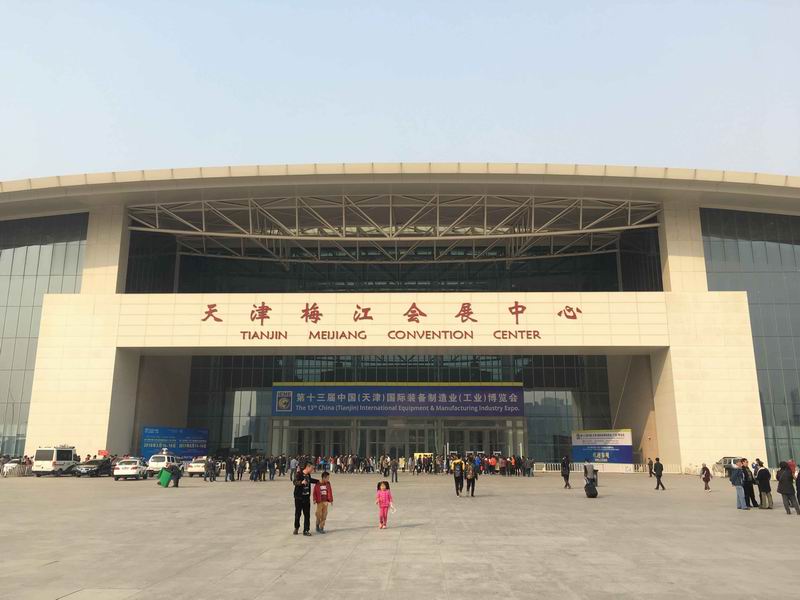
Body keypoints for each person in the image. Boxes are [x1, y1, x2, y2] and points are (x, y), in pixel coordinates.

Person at [293, 462, 319, 536]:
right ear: (308, 467)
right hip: (299, 498)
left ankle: (306, 530)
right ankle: (296, 527)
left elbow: (310, 480)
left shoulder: (308, 475)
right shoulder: (299, 474)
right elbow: (294, 482)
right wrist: (301, 482)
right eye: (312, 468)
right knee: (298, 514)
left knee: (307, 515)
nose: (312, 470)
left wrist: (318, 481)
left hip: (306, 497)